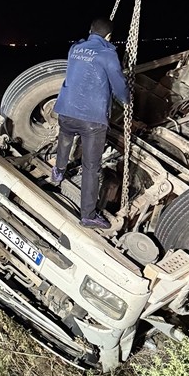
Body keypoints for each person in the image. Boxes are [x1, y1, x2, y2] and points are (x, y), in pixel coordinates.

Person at [51, 15, 130, 229]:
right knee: (91, 167)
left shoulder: (75, 48)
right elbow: (118, 83)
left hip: (66, 110)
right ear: (109, 36)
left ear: (90, 30)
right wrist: (126, 100)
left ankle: (58, 171)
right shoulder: (108, 54)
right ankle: (87, 215)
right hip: (92, 120)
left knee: (65, 140)